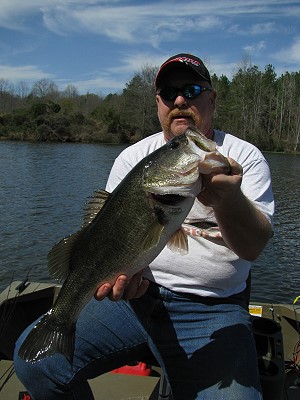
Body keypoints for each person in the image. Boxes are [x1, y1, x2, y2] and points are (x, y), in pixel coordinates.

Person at [14, 53, 274, 399]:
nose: (180, 100)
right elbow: (109, 239)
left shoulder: (245, 158)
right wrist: (124, 277)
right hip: (134, 302)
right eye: (169, 93)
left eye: (192, 90)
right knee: (35, 364)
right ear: (158, 105)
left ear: (211, 98)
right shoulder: (133, 158)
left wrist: (227, 199)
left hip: (213, 310)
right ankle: (64, 321)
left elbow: (253, 246)